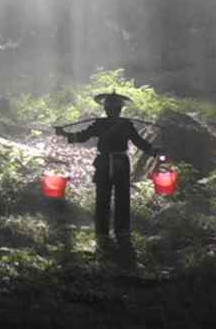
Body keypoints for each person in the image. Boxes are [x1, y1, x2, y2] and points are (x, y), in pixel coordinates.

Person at [63, 91, 158, 248]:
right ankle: (119, 234)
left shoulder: (103, 124)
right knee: (119, 199)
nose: (113, 110)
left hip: (106, 163)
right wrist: (154, 151)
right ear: (119, 109)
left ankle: (105, 235)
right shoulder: (123, 125)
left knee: (105, 199)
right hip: (118, 163)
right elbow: (140, 143)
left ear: (106, 109)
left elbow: (81, 137)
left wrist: (64, 134)